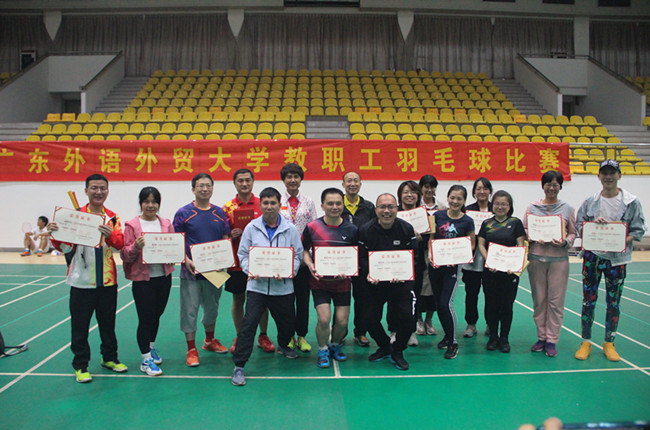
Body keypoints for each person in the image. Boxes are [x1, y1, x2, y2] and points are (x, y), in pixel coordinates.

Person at [48, 174, 126, 383]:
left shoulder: (112, 217)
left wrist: (109, 234)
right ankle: (81, 365)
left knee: (108, 324)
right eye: (94, 188)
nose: (98, 192)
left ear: (107, 191)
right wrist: (55, 234)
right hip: (81, 281)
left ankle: (109, 358)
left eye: (102, 188)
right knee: (80, 326)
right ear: (86, 191)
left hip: (107, 281)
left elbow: (120, 243)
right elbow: (65, 247)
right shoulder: (75, 216)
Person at [231, 187, 304, 386]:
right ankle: (239, 365)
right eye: (265, 203)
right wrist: (251, 270)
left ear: (279, 205)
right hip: (257, 287)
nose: (269, 207)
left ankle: (284, 345)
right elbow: (242, 254)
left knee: (287, 324)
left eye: (273, 203)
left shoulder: (290, 229)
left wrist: (289, 271)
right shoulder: (251, 227)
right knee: (248, 325)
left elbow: (297, 255)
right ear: (260, 205)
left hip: (283, 287)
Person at [575, 160, 646, 362]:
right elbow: (580, 225)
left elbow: (638, 230)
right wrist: (592, 226)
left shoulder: (631, 203)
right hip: (592, 257)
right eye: (604, 173)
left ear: (619, 176)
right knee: (588, 300)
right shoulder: (590, 201)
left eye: (612, 173)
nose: (608, 177)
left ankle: (609, 342)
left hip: (617, 260)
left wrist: (619, 237)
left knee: (613, 302)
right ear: (598, 176)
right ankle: (586, 341)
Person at [173, 173, 231, 367]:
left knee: (212, 308)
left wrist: (223, 257)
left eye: (208, 185)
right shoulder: (183, 213)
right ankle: (191, 349)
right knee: (189, 311)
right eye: (200, 186)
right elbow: (176, 241)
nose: (205, 189)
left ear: (212, 189)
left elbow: (225, 237)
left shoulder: (219, 212)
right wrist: (186, 260)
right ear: (193, 189)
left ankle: (209, 340)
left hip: (215, 272)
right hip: (191, 272)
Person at [358, 193, 418, 371]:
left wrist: (404, 272)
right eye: (382, 207)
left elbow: (414, 258)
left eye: (390, 207)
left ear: (396, 209)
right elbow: (361, 258)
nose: (386, 211)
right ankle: (385, 346)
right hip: (374, 284)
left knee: (409, 319)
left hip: (400, 283)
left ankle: (398, 350)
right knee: (367, 319)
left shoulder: (406, 228)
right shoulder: (366, 230)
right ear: (376, 209)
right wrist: (370, 272)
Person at [120, 186, 175, 376]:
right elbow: (125, 255)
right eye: (147, 201)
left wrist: (173, 255)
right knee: (145, 318)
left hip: (163, 278)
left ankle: (150, 347)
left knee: (157, 315)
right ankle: (145, 359)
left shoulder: (166, 224)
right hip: (143, 280)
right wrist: (135, 246)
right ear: (141, 203)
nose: (151, 205)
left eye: (154, 202)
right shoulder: (132, 225)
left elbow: (173, 247)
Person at [302, 188, 359, 368]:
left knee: (342, 322)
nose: (334, 207)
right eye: (330, 203)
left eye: (338, 203)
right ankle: (322, 348)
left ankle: (334, 345)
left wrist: (349, 268)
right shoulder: (313, 227)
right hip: (320, 283)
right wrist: (310, 264)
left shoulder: (352, 229)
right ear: (322, 206)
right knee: (324, 319)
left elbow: (356, 254)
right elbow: (304, 250)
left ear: (343, 205)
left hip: (342, 283)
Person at [524, 171, 577, 357]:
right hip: (536, 259)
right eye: (548, 184)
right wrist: (531, 236)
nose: (551, 188)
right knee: (539, 301)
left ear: (560, 186)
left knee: (555, 302)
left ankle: (552, 340)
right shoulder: (532, 207)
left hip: (559, 261)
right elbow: (525, 229)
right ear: (543, 186)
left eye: (555, 184)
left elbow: (573, 232)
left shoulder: (567, 209)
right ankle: (541, 337)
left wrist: (565, 242)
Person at [222, 168, 274, 354]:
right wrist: (231, 235)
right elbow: (222, 236)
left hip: (261, 262)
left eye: (248, 180)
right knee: (238, 299)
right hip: (237, 263)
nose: (244, 184)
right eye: (240, 181)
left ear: (253, 182)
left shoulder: (263, 204)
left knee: (262, 300)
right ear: (234, 183)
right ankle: (240, 335)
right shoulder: (227, 208)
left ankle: (263, 335)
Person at [428, 185, 476, 359]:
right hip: (435, 267)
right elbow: (431, 239)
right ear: (447, 198)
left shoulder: (468, 221)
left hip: (452, 269)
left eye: (459, 199)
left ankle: (453, 342)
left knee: (445, 304)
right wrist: (431, 255)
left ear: (464, 201)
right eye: (452, 198)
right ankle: (448, 336)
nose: (455, 201)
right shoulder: (437, 216)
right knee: (438, 304)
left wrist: (458, 257)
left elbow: (471, 244)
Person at [477, 190, 526, 353]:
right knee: (491, 305)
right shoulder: (487, 223)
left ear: (509, 206)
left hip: (509, 272)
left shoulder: (516, 223)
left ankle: (504, 338)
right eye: (497, 203)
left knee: (506, 306)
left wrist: (515, 263)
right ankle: (493, 337)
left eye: (504, 204)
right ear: (492, 205)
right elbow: (481, 244)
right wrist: (488, 260)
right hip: (490, 271)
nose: (500, 207)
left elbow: (520, 244)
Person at [279, 163, 317, 353]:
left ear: (301, 179)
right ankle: (288, 337)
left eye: (296, 176)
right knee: (285, 301)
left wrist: (308, 255)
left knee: (303, 300)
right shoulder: (277, 201)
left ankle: (301, 336)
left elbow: (314, 228)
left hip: (303, 259)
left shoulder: (308, 202)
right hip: (283, 259)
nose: (292, 180)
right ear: (283, 180)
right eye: (289, 177)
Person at [341, 171, 376, 347]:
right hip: (341, 260)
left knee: (363, 298)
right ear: (343, 184)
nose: (352, 184)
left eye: (356, 181)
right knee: (341, 298)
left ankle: (360, 332)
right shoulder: (337, 205)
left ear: (361, 184)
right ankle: (339, 333)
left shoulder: (369, 207)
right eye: (349, 181)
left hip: (363, 260)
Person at [461, 177, 493, 338]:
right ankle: (471, 324)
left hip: (491, 257)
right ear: (474, 191)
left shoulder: (496, 209)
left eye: (485, 188)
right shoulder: (467, 210)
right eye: (478, 188)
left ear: (490, 191)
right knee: (471, 293)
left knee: (491, 293)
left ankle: (490, 323)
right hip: (472, 259)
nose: (482, 191)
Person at [395, 180, 424, 347]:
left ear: (418, 195)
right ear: (400, 195)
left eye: (413, 192)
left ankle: (410, 331)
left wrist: (420, 238)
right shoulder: (394, 213)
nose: (409, 195)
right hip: (396, 264)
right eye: (405, 192)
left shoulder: (424, 215)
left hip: (416, 264)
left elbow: (431, 238)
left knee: (414, 298)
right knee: (394, 299)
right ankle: (394, 330)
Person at [417, 174, 444, 337]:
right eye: (426, 186)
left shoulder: (441, 207)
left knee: (434, 286)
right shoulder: (415, 207)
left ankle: (429, 320)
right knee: (419, 286)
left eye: (432, 186)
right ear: (421, 188)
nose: (429, 189)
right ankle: (419, 320)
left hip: (435, 251)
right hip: (418, 250)